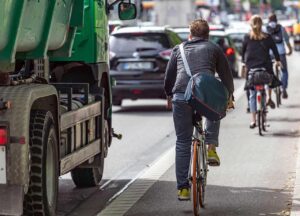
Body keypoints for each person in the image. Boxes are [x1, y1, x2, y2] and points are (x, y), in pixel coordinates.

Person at [164, 19, 234, 200]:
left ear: (190, 35)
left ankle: (183, 189)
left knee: (182, 142)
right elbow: (226, 76)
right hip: (203, 95)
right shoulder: (214, 48)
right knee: (215, 102)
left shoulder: (178, 49)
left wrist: (168, 95)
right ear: (207, 35)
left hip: (180, 96)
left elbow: (169, 76)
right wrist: (229, 96)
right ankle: (211, 147)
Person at [242, 15, 281, 129]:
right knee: (270, 80)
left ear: (251, 24)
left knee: (252, 94)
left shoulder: (246, 37)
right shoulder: (268, 37)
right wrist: (278, 61)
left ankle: (253, 120)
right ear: (262, 24)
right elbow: (275, 51)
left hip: (251, 69)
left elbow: (243, 52)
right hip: (265, 68)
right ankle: (268, 98)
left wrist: (244, 63)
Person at [266, 13, 293, 99]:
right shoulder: (281, 28)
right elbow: (287, 40)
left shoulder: (266, 28)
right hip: (281, 53)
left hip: (270, 53)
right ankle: (283, 87)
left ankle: (272, 85)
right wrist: (290, 50)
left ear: (269, 20)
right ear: (276, 20)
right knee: (284, 71)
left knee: (269, 71)